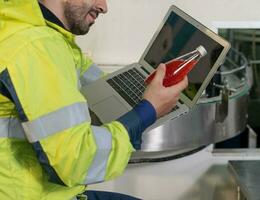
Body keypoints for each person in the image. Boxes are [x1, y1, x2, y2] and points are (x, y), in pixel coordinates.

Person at [0, 0, 188, 199]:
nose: (104, 7)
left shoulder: (31, 26)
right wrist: (146, 111)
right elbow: (75, 162)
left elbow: (89, 79)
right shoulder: (36, 47)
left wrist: (145, 89)